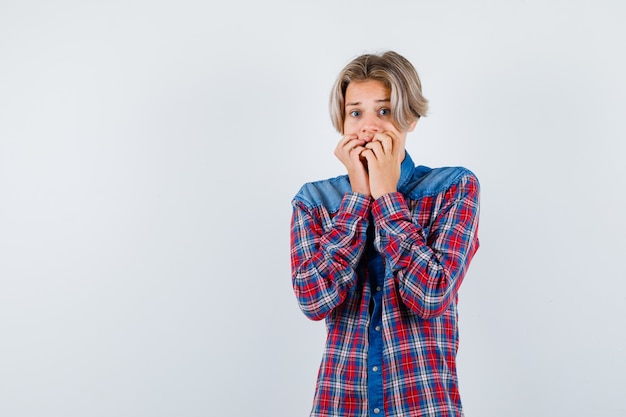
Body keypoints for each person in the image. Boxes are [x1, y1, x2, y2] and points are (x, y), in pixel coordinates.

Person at [290, 50, 480, 417]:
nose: (368, 126)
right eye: (355, 112)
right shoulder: (314, 201)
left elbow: (430, 294)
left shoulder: (453, 187)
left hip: (423, 405)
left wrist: (387, 197)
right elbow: (313, 301)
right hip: (341, 404)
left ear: (409, 117)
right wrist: (358, 201)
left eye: (384, 110)